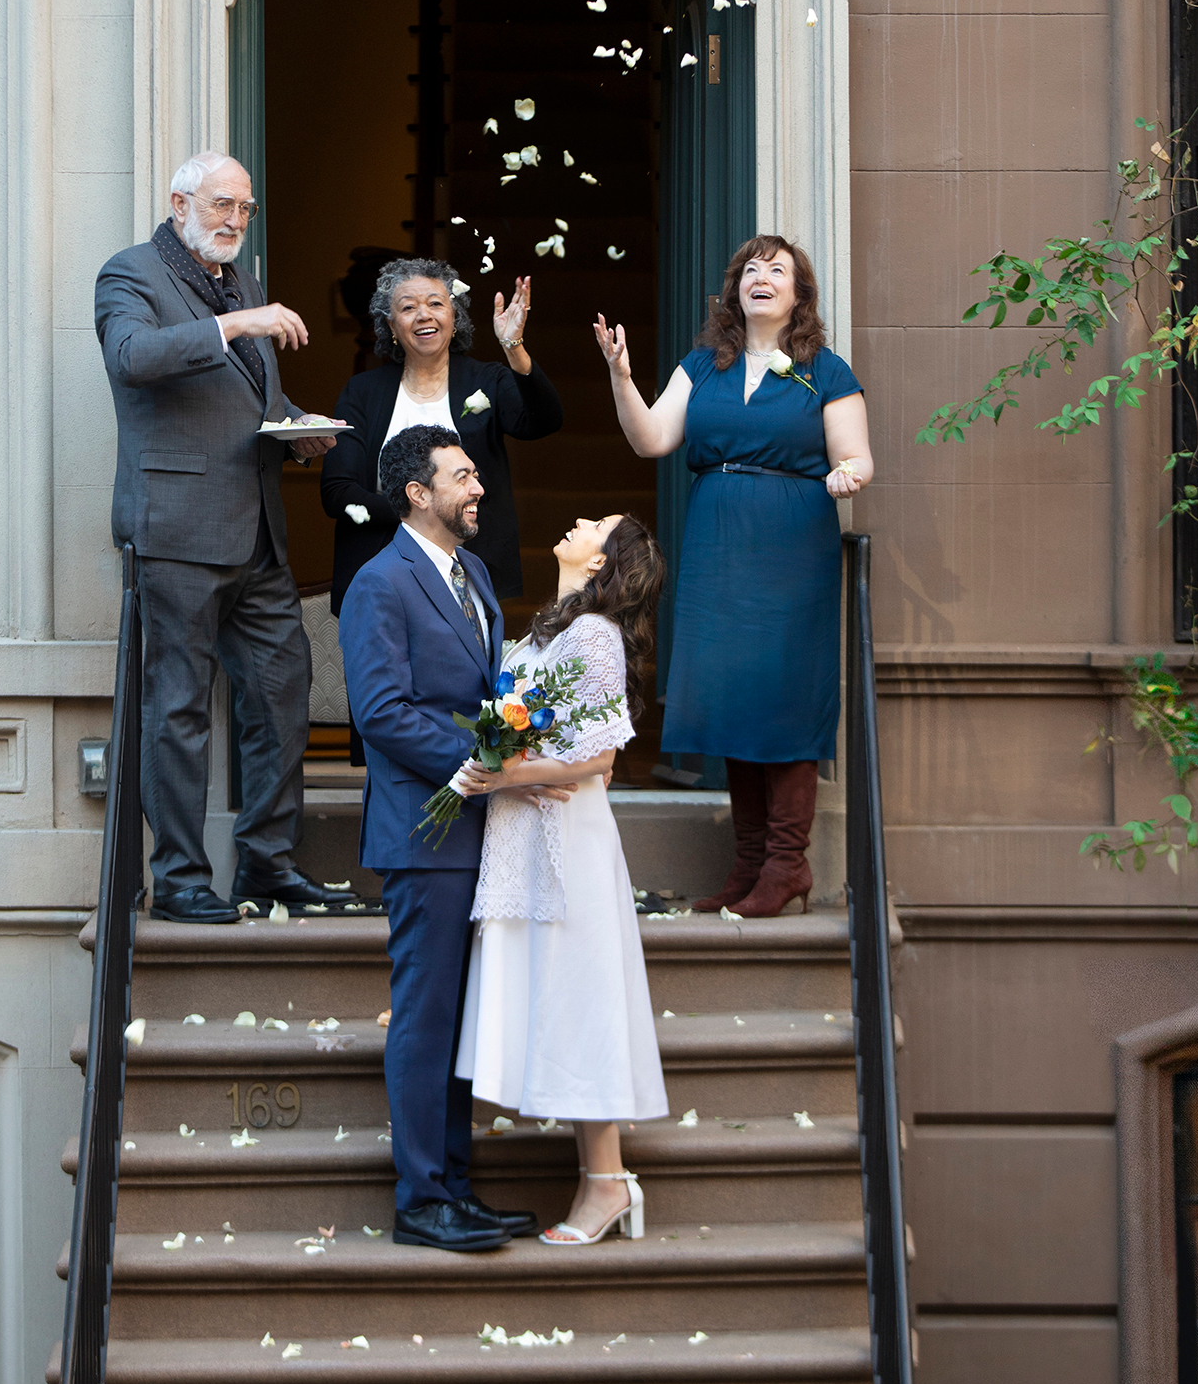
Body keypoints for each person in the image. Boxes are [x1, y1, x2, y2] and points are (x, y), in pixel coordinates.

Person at [338, 423, 577, 1253]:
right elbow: (380, 713)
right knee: (426, 1017)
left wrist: (521, 726)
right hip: (423, 833)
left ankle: (457, 1189)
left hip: (481, 829)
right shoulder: (379, 583)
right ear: (417, 492)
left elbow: (487, 686)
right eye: (463, 476)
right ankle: (419, 1200)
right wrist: (484, 759)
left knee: (460, 1018)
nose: (479, 489)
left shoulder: (471, 571)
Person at [95, 150, 343, 925]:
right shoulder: (129, 274)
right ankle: (178, 881)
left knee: (281, 697)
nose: (235, 220)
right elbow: (131, 358)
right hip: (174, 531)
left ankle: (266, 866)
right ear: (179, 202)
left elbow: (252, 394)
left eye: (245, 209)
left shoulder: (238, 281)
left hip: (258, 534)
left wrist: (296, 426)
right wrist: (236, 321)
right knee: (177, 711)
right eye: (221, 206)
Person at [594, 235, 873, 919]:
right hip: (718, 545)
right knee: (732, 701)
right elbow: (651, 439)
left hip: (790, 546)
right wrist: (621, 375)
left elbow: (857, 457)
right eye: (750, 268)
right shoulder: (701, 366)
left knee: (783, 697)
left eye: (776, 269)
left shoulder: (825, 371)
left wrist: (845, 476)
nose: (760, 276)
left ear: (798, 294)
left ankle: (787, 864)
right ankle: (750, 867)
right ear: (734, 291)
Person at [453, 512, 669, 1246]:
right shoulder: (549, 630)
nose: (573, 521)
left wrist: (506, 775)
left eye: (592, 524)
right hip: (523, 831)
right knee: (556, 992)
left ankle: (605, 1182)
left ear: (603, 558)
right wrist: (504, 777)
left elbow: (600, 760)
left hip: (567, 840)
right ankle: (600, 1177)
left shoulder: (594, 637)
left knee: (580, 995)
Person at [320, 257, 562, 622]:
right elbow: (338, 492)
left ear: (454, 316)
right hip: (380, 570)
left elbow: (544, 421)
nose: (423, 315)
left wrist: (513, 346)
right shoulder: (363, 391)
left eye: (435, 303)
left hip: (471, 570)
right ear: (391, 324)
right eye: (408, 307)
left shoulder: (487, 380)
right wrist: (422, 516)